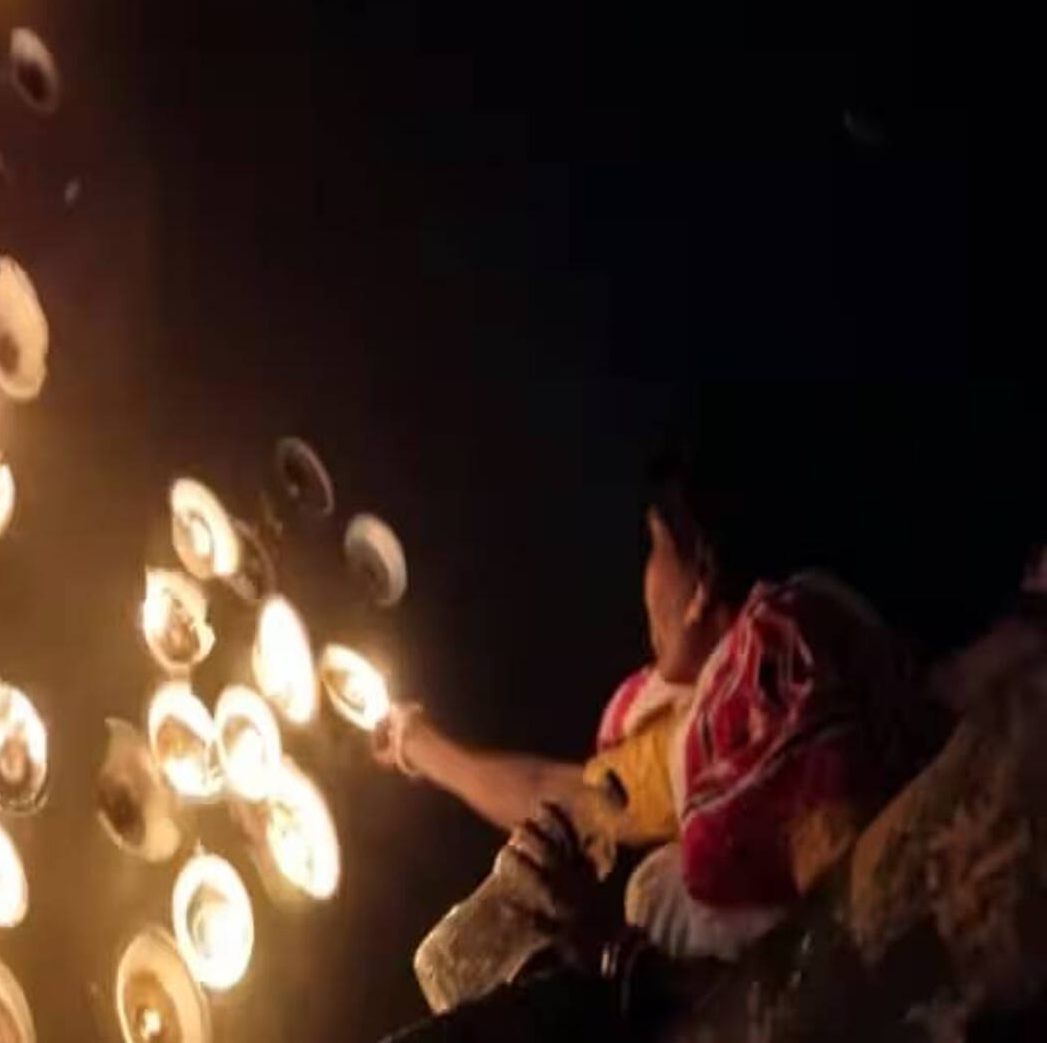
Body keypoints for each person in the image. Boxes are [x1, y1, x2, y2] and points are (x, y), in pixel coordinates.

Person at [378, 431, 932, 1038]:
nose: (645, 581)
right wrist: (415, 743)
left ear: (702, 577)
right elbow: (567, 796)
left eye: (654, 548)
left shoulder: (787, 665)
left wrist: (605, 944)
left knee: (649, 892)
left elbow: (841, 953)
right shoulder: (719, 732)